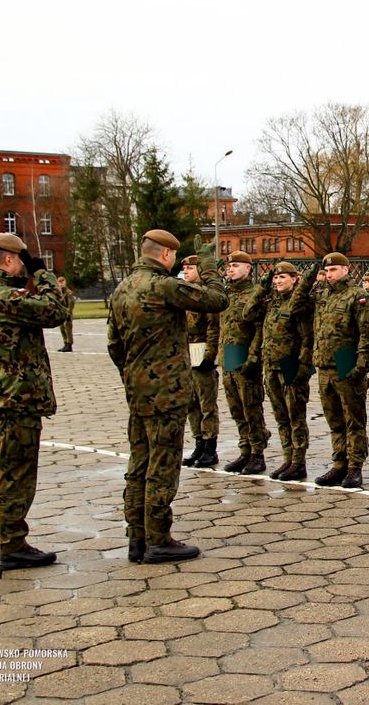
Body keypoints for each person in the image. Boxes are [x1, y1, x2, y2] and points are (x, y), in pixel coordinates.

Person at [107, 230, 228, 564]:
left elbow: (114, 346)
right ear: (165, 255)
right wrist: (207, 264)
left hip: (138, 391)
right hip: (167, 392)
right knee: (162, 465)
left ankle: (137, 539)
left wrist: (135, 375)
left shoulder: (121, 290)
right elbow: (217, 300)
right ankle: (158, 539)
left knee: (139, 464)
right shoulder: (164, 286)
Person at [0, 232, 70, 570]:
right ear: (8, 259)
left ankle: (0, 543)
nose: (25, 266)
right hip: (16, 400)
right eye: (22, 260)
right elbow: (56, 310)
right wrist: (43, 273)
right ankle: (12, 545)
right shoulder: (2, 296)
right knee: (16, 476)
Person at [291, 252, 369, 487]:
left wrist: (360, 366)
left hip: (346, 361)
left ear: (346, 270)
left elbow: (368, 333)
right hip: (324, 365)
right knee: (334, 420)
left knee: (354, 420)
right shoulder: (321, 295)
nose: (329, 275)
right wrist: (308, 278)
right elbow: (295, 305)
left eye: (333, 270)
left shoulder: (357, 296)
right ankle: (339, 463)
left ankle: (355, 466)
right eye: (326, 271)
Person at [244, 262, 314, 481]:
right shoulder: (271, 302)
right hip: (271, 364)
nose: (278, 281)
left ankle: (298, 461)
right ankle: (287, 457)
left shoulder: (300, 302)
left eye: (282, 277)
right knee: (280, 416)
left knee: (295, 416)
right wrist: (263, 286)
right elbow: (248, 313)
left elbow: (307, 338)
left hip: (290, 364)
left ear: (295, 279)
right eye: (275, 278)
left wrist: (303, 367)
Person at [219, 251, 269, 474]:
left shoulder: (254, 294)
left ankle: (258, 453)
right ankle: (245, 449)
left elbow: (259, 329)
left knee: (251, 406)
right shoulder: (227, 294)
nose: (230, 269)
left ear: (248, 268)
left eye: (236, 265)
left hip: (246, 353)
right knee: (236, 407)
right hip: (229, 353)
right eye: (229, 266)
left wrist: (253, 357)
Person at [180, 255, 222, 469]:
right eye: (184, 268)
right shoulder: (183, 293)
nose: (186, 272)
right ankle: (198, 442)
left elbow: (214, 327)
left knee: (207, 404)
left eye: (190, 268)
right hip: (186, 355)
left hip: (201, 352)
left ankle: (210, 448)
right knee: (191, 404)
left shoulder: (205, 295)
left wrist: (210, 355)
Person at [56, 276, 75, 352]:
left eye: (62, 282)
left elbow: (71, 303)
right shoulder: (59, 292)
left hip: (67, 313)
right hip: (61, 313)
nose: (61, 284)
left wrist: (68, 312)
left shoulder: (68, 292)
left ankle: (69, 344)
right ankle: (65, 343)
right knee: (62, 329)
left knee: (68, 329)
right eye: (59, 282)